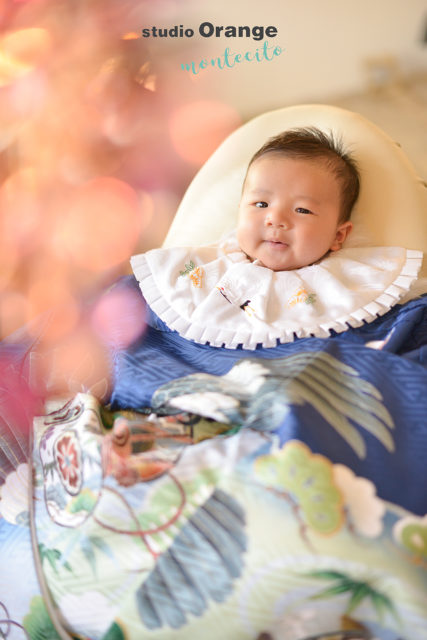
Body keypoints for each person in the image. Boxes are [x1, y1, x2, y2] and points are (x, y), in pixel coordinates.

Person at [236, 126, 359, 271]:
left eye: (302, 210)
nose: (276, 219)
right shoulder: (209, 262)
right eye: (261, 204)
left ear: (338, 235)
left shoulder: (340, 281)